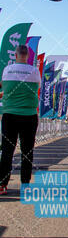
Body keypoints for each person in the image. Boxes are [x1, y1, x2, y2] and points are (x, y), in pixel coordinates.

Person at [0, 44, 41, 195]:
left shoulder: (7, 70)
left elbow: (4, 88)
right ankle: (25, 185)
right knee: (27, 152)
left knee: (7, 151)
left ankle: (2, 184)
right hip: (29, 116)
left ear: (16, 55)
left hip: (10, 115)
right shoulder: (35, 71)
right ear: (28, 57)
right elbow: (37, 88)